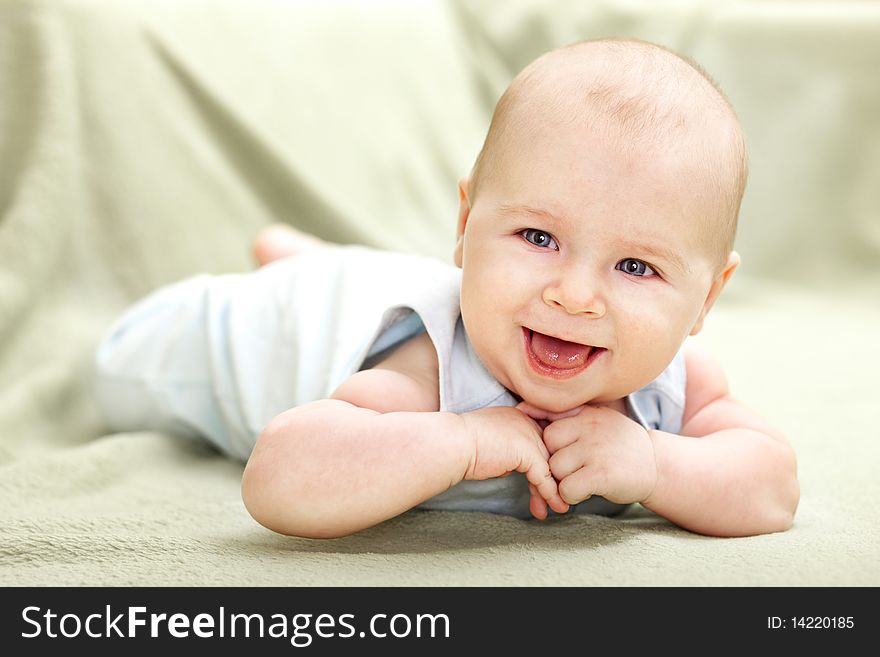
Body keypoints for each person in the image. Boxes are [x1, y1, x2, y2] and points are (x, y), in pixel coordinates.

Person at [94, 39, 799, 540]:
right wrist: (461, 440)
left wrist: (654, 462)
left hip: (399, 282)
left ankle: (309, 254)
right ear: (465, 224)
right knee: (120, 366)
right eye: (540, 238)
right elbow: (280, 476)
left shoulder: (672, 380)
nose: (576, 296)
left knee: (424, 283)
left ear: (707, 298)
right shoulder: (430, 364)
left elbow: (771, 485)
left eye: (637, 267)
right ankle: (293, 269)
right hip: (258, 331)